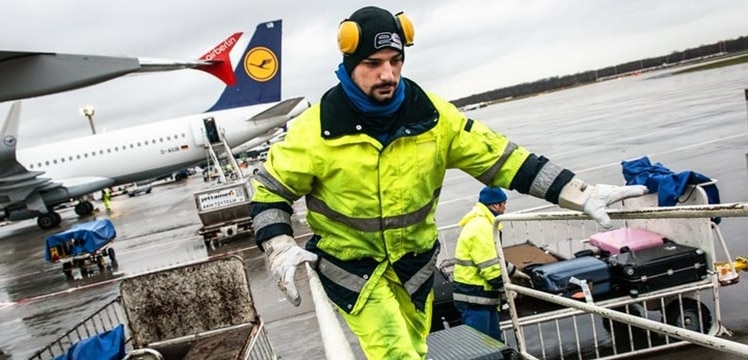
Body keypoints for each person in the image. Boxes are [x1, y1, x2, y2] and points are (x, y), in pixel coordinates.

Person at [249, 6, 647, 359]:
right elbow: (269, 192)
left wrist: (578, 192)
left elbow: (504, 160)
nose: (387, 73)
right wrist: (279, 246)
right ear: (350, 63)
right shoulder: (315, 131)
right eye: (373, 63)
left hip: (415, 268)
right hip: (354, 271)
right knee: (394, 351)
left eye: (395, 61)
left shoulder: (434, 118)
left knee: (417, 349)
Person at [452, 186, 513, 341]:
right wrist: (507, 289)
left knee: (492, 345)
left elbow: (493, 259)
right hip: (475, 298)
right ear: (495, 205)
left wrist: (513, 271)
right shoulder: (482, 227)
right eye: (503, 204)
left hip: (479, 296)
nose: (505, 208)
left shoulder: (482, 223)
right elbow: (490, 267)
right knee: (481, 347)